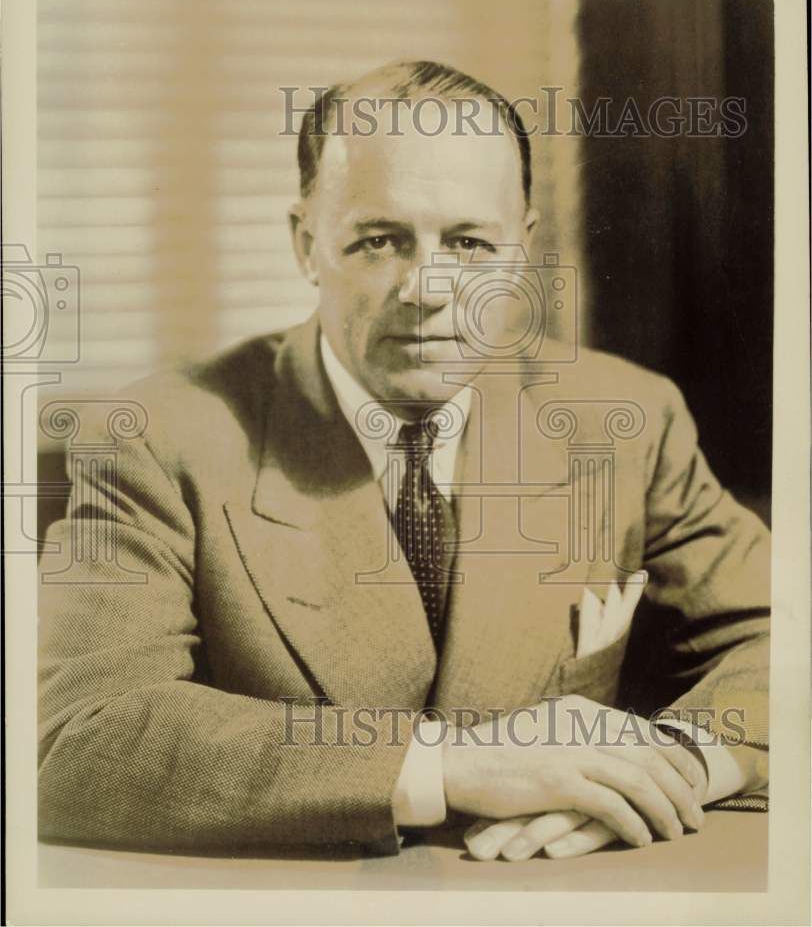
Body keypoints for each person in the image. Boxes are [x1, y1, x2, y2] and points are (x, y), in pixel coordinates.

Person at [38, 60, 769, 861]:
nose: (428, 287)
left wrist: (670, 766)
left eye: (469, 242)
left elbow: (785, 640)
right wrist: (444, 766)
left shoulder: (625, 421)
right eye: (379, 240)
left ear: (521, 250)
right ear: (306, 245)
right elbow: (79, 737)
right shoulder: (158, 436)